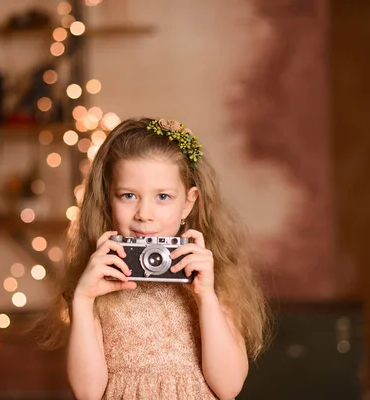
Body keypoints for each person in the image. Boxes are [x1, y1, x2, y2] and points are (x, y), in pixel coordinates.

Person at [52, 118, 269, 399]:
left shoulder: (215, 281)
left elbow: (228, 387)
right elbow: (86, 393)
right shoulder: (97, 285)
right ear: (108, 199)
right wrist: (82, 300)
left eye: (163, 196)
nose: (145, 213)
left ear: (188, 203)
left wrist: (206, 297)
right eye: (128, 195)